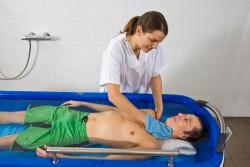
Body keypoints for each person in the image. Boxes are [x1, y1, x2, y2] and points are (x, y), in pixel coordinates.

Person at [0, 100, 204, 160]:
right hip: (74, 115)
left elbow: (109, 158)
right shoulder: (149, 114)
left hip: (72, 135)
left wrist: (63, 155)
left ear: (184, 136)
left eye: (186, 120)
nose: (180, 116)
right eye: (185, 115)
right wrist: (83, 103)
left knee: (9, 141)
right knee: (15, 115)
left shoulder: (151, 145)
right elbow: (116, 110)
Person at [100, 11, 169, 120]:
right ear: (139, 30)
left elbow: (155, 75)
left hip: (140, 102)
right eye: (153, 40)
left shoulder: (153, 48)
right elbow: (113, 95)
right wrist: (145, 121)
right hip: (116, 104)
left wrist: (159, 107)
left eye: (159, 42)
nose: (155, 46)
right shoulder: (116, 48)